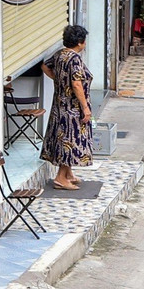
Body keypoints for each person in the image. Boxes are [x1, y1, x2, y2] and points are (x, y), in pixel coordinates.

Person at [41, 24, 94, 191]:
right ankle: (60, 178)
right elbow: (77, 84)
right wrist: (85, 108)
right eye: (84, 40)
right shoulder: (74, 59)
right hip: (72, 108)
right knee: (70, 141)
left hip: (59, 105)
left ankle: (68, 173)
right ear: (79, 42)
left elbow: (44, 66)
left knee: (63, 139)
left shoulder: (60, 55)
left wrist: (58, 81)